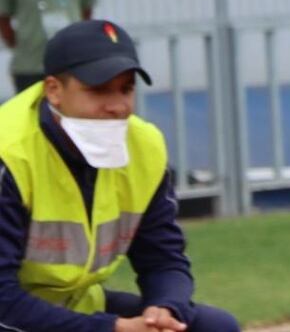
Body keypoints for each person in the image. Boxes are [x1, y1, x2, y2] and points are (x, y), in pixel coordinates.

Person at [0, 20, 240, 331]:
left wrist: (164, 308)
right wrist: (113, 328)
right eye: (98, 90)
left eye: (126, 89)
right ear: (54, 91)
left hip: (74, 304)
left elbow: (164, 259)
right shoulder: (9, 152)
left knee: (214, 326)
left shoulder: (144, 147)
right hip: (9, 312)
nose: (118, 106)